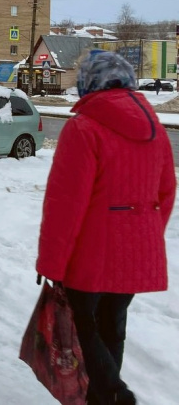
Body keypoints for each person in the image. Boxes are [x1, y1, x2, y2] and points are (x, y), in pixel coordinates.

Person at [36, 50, 175, 405]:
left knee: (84, 326)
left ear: (88, 85)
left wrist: (51, 264)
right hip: (137, 248)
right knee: (113, 324)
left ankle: (113, 395)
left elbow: (65, 206)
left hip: (91, 253)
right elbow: (166, 190)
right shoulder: (155, 129)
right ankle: (103, 396)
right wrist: (145, 235)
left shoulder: (83, 128)